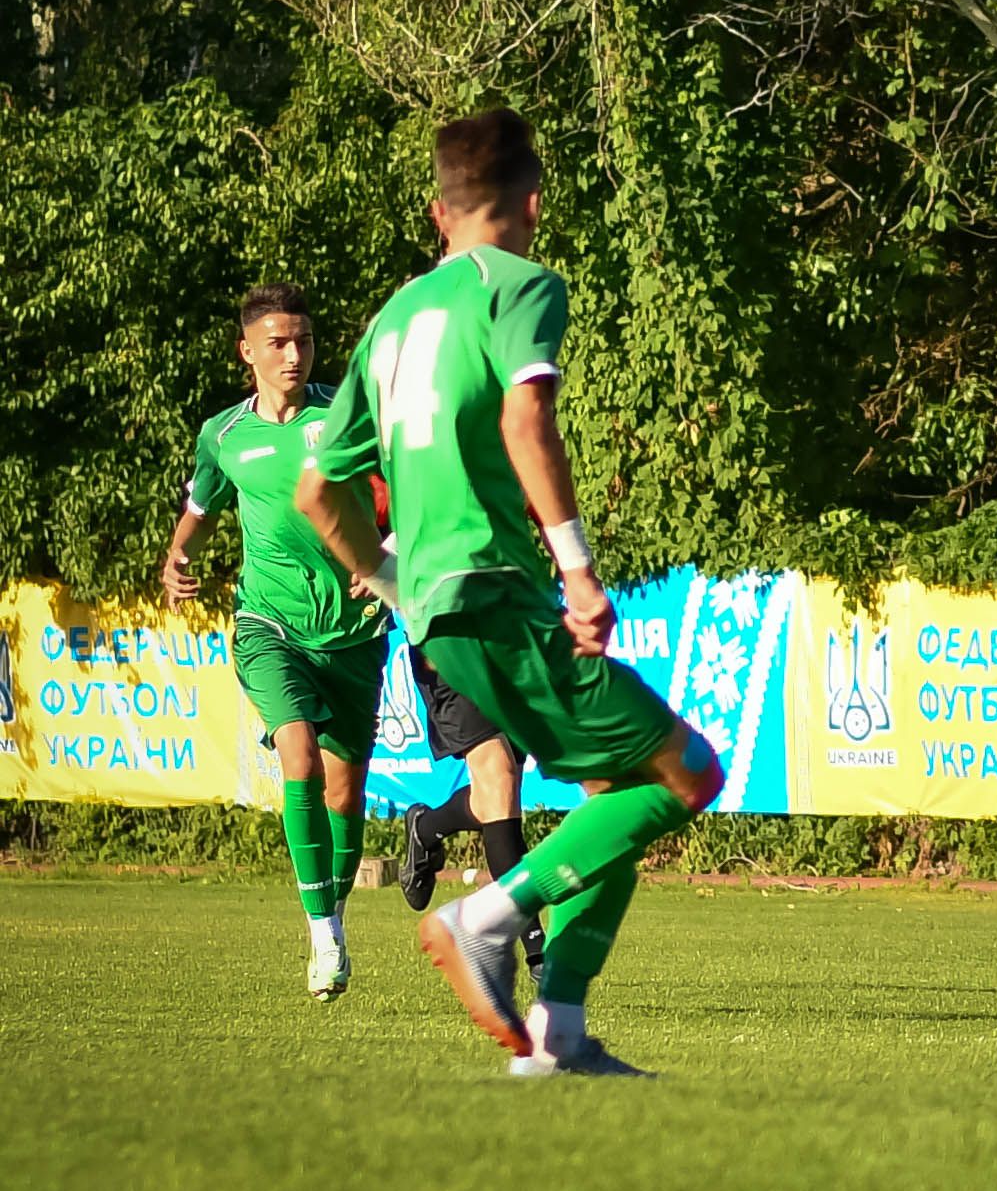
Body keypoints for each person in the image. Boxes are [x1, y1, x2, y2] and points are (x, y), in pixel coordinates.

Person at [295, 107, 724, 1077]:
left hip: (442, 610)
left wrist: (392, 579)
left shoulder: (392, 320)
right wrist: (578, 569)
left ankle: (559, 1030)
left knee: (618, 786)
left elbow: (317, 491)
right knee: (692, 772)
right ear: (531, 204)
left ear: (440, 211)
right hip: (499, 585)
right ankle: (486, 916)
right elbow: (530, 420)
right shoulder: (520, 284)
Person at [162, 283, 388, 999]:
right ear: (247, 351)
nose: (294, 355)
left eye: (305, 341)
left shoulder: (346, 413)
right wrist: (177, 556)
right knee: (298, 754)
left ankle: (336, 917)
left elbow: (409, 486)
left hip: (352, 629)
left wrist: (384, 551)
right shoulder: (224, 435)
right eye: (279, 343)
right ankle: (319, 933)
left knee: (346, 789)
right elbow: (201, 502)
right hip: (268, 621)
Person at [397, 644, 548, 986]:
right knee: (499, 785)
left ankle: (426, 828)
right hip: (449, 647)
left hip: (505, 644)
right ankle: (539, 954)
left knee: (494, 802)